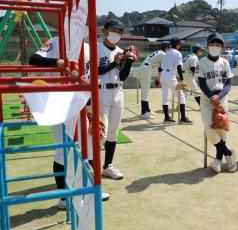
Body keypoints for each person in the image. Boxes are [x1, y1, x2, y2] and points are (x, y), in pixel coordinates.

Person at [28, 37, 110, 208]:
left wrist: (90, 111)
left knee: (90, 144)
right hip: (56, 101)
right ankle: (63, 197)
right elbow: (34, 59)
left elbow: (86, 80)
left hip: (79, 101)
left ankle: (92, 189)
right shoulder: (56, 42)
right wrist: (58, 62)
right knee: (62, 149)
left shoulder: (87, 48)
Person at [97, 19, 137, 180]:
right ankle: (91, 167)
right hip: (101, 92)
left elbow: (123, 76)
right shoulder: (95, 48)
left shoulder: (120, 51)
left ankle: (108, 166)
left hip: (118, 93)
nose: (116, 34)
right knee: (100, 133)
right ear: (105, 30)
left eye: (119, 32)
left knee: (113, 131)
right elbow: (96, 71)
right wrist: (115, 63)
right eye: (113, 30)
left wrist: (129, 61)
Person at [195, 33, 236, 173]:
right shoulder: (201, 63)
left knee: (222, 130)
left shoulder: (225, 63)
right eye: (212, 44)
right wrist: (212, 97)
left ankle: (218, 160)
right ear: (207, 47)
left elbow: (229, 83)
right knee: (210, 130)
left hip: (222, 100)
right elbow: (202, 83)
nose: (215, 47)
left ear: (222, 47)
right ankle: (229, 154)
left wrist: (220, 96)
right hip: (207, 101)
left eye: (218, 45)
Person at [160, 37, 193, 125]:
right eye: (179, 44)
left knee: (165, 97)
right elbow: (179, 67)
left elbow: (161, 67)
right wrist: (182, 80)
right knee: (181, 96)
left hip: (163, 75)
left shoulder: (166, 53)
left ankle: (167, 118)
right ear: (178, 44)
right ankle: (183, 118)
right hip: (170, 76)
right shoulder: (177, 53)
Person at [138, 42, 169, 119]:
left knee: (145, 92)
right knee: (145, 93)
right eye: (168, 48)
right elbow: (161, 69)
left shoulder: (158, 52)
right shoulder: (163, 54)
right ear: (166, 48)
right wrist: (158, 79)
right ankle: (144, 113)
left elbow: (159, 67)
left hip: (144, 68)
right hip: (146, 69)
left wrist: (157, 78)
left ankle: (147, 110)